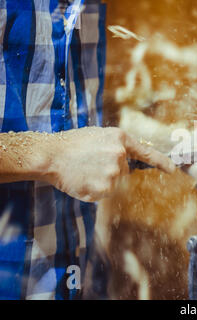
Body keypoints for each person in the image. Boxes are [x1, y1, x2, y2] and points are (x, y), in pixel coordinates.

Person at [0, 0, 174, 299]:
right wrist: (52, 155)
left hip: (77, 277)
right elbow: (65, 148)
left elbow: (81, 130)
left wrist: (193, 142)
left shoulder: (88, 6)